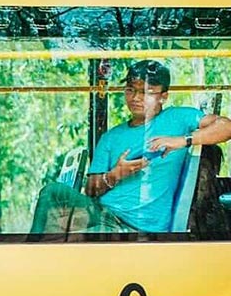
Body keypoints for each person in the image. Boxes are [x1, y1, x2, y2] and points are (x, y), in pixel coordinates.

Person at [33, 60, 231, 234]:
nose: (136, 98)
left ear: (163, 96)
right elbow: (91, 190)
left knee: (75, 240)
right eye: (131, 90)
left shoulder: (179, 118)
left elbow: (226, 127)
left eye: (146, 92)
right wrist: (116, 174)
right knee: (53, 191)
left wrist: (183, 140)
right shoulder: (111, 137)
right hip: (103, 213)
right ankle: (31, 255)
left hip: (137, 228)